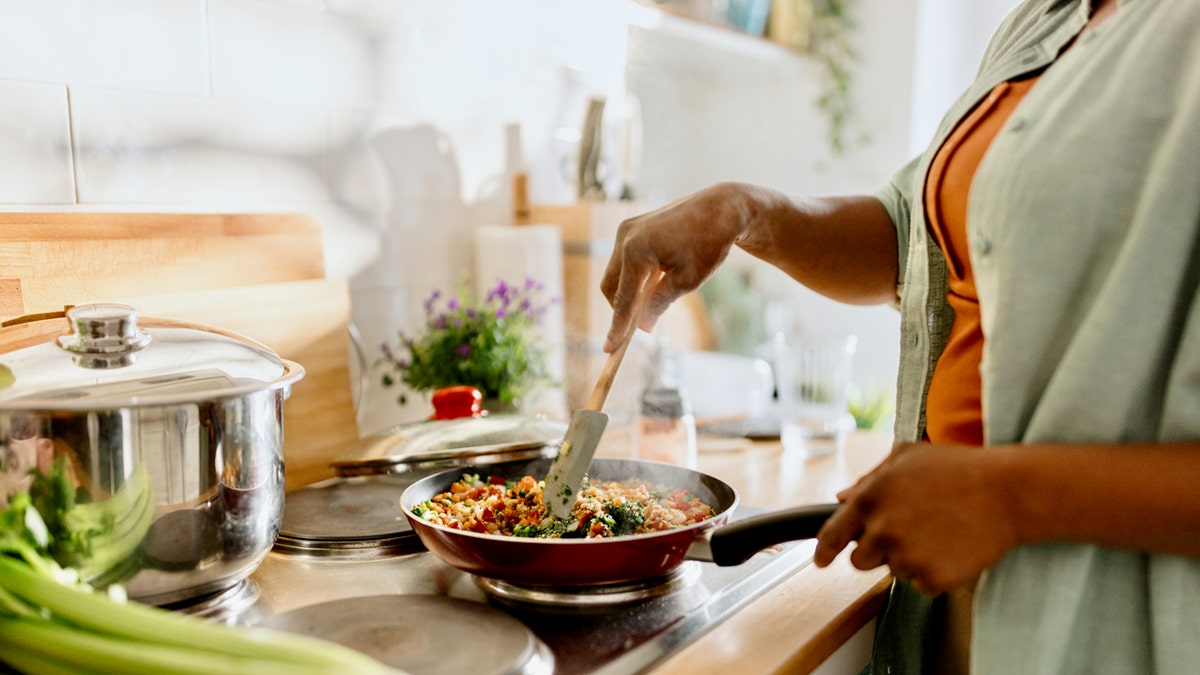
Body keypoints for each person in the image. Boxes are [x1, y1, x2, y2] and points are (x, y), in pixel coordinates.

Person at [598, 0, 1200, 672]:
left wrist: (1008, 495)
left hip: (1113, 623)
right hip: (958, 596)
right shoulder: (1048, 18)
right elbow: (915, 235)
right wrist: (745, 210)